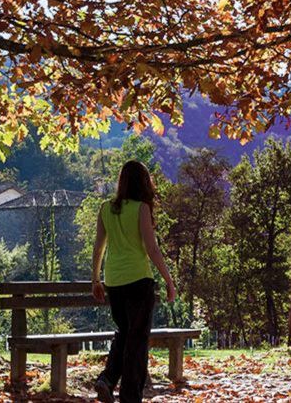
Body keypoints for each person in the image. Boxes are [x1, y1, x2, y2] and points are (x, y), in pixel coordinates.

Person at [91, 160, 177, 403]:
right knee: (137, 340)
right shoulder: (141, 209)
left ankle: (107, 380)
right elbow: (152, 248)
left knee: (125, 333)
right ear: (144, 183)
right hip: (139, 280)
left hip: (114, 281)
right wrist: (168, 280)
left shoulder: (105, 208)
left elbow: (99, 247)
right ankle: (130, 397)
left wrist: (95, 279)